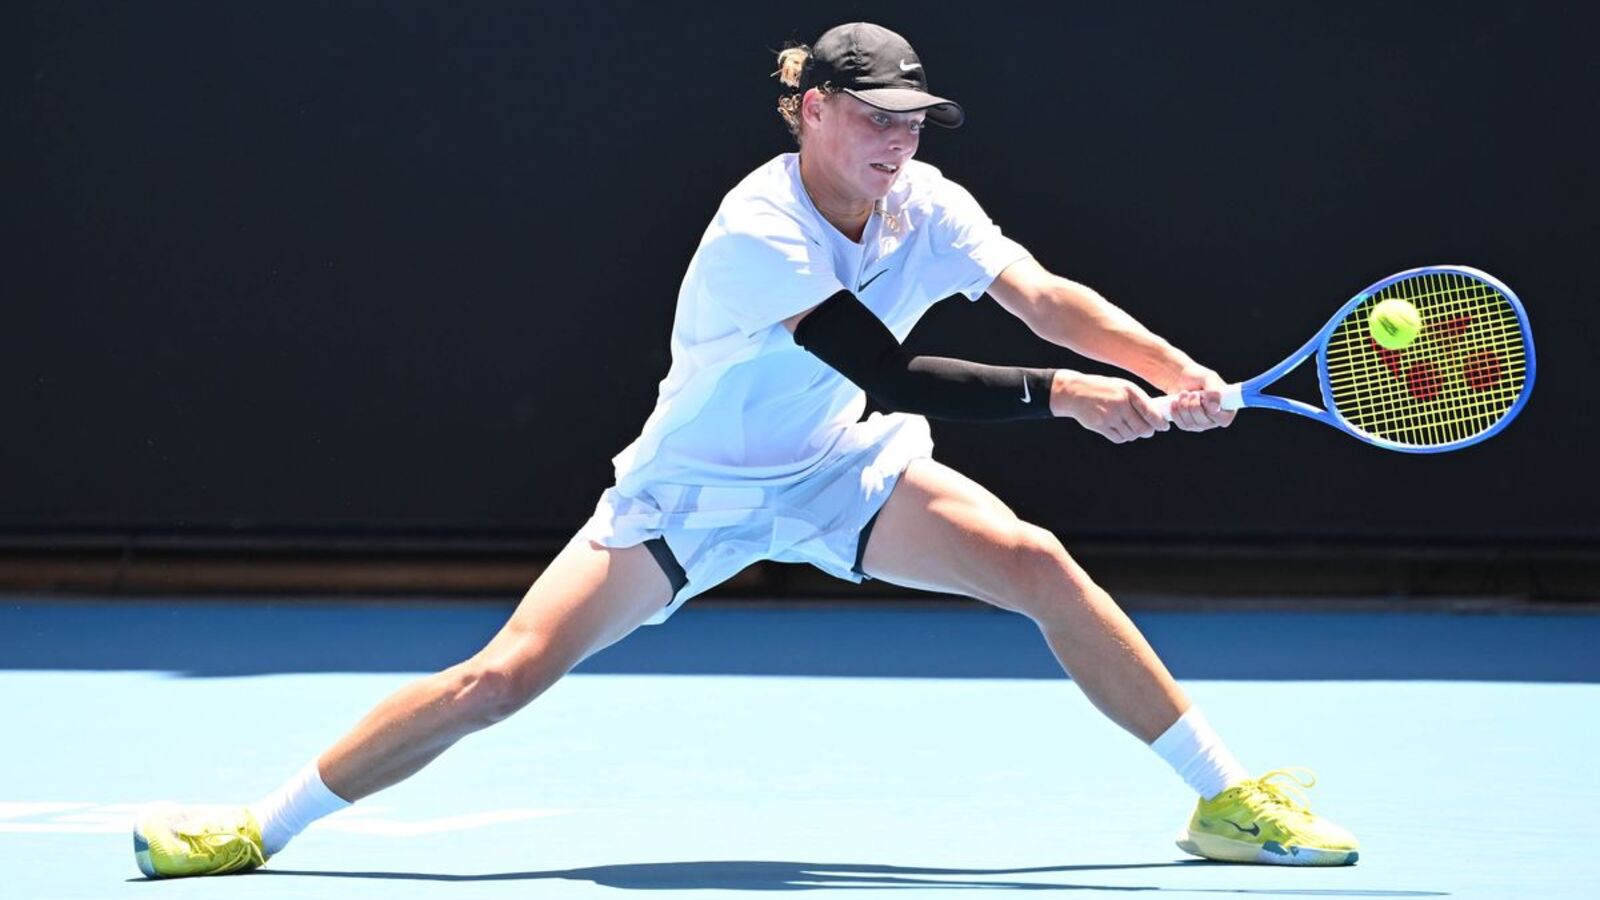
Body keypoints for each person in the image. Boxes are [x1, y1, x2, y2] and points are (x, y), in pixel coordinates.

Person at [133, 22, 1358, 878]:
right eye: (875, 119)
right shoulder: (758, 226)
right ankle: (256, 824)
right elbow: (886, 365)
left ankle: (1223, 798)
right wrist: (1072, 400)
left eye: (914, 122)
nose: (898, 142)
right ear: (814, 110)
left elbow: (1039, 295)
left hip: (842, 469)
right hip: (691, 497)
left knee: (1036, 561)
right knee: (499, 679)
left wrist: (1164, 369)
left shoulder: (925, 201)